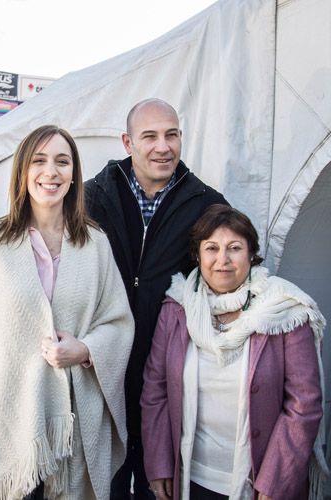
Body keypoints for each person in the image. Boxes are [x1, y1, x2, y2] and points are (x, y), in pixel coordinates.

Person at [0, 125, 134, 499]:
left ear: (74, 174)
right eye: (39, 161)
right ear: (23, 171)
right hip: (5, 421)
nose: (51, 172)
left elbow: (119, 322)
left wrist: (87, 349)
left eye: (62, 162)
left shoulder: (95, 244)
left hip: (74, 427)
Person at [84, 98, 228, 498]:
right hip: (100, 366)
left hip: (167, 374)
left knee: (158, 481)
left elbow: (226, 280)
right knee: (102, 480)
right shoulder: (90, 197)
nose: (162, 146)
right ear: (128, 142)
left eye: (172, 135)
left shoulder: (207, 204)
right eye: (150, 136)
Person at [141, 205, 328, 500]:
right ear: (198, 255)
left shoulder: (284, 310)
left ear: (251, 254)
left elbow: (304, 405)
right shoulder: (177, 309)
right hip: (190, 478)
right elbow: (155, 390)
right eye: (211, 248)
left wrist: (275, 482)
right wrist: (159, 462)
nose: (222, 260)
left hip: (258, 483)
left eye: (234, 248)